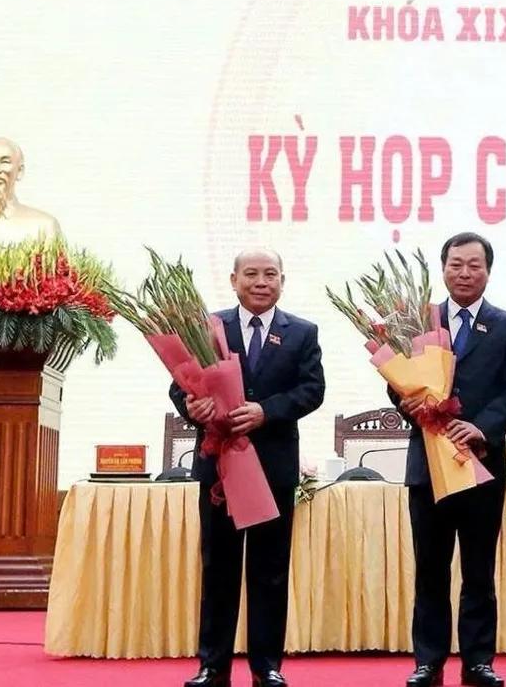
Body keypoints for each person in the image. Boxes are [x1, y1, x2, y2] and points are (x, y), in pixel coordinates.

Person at [170, 248, 326, 687]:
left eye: (270, 274)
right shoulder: (208, 327)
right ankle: (212, 665)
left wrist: (266, 411)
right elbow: (178, 386)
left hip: (273, 466)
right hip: (220, 465)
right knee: (217, 567)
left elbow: (312, 390)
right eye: (252, 274)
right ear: (234, 278)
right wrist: (193, 406)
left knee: (270, 569)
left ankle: (267, 666)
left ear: (282, 279)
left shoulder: (302, 333)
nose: (261, 281)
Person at [394, 232, 506, 687]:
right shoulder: (418, 319)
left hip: (480, 464)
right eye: (456, 264)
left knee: (478, 569)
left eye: (474, 265)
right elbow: (397, 381)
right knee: (430, 568)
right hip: (428, 466)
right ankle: (428, 661)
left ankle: (478, 661)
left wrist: (484, 429)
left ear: (488, 271)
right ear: (443, 267)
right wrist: (407, 402)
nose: (465, 273)